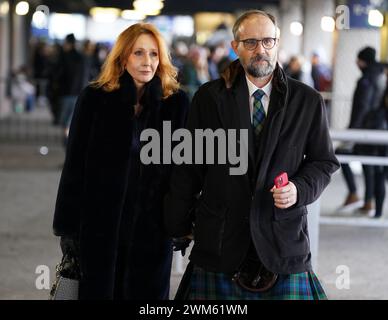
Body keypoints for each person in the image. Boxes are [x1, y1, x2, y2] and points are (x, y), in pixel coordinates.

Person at [165, 10, 339, 300]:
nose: (261, 50)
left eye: (268, 41)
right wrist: (178, 224)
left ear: (278, 43)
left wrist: (299, 189)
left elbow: (324, 162)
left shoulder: (307, 100)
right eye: (251, 42)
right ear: (235, 47)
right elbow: (189, 165)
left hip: (283, 243)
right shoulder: (209, 98)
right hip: (219, 242)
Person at [52, 23, 189, 300]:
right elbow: (74, 166)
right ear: (123, 56)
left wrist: (181, 221)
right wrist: (67, 228)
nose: (147, 62)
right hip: (99, 229)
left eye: (153, 54)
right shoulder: (94, 98)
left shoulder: (176, 103)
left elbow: (182, 170)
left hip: (152, 231)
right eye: (138, 53)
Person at [337, 47, 386, 215]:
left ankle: (354, 194)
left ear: (363, 60)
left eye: (358, 60)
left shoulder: (366, 79)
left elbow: (362, 106)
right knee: (369, 165)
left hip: (364, 128)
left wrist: (351, 130)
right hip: (377, 129)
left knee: (340, 154)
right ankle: (367, 201)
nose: (356, 63)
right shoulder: (380, 75)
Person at [57, 33, 85, 147]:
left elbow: (60, 74)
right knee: (72, 124)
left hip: (67, 94)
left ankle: (68, 150)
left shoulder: (64, 57)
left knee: (66, 124)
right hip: (78, 94)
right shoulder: (81, 58)